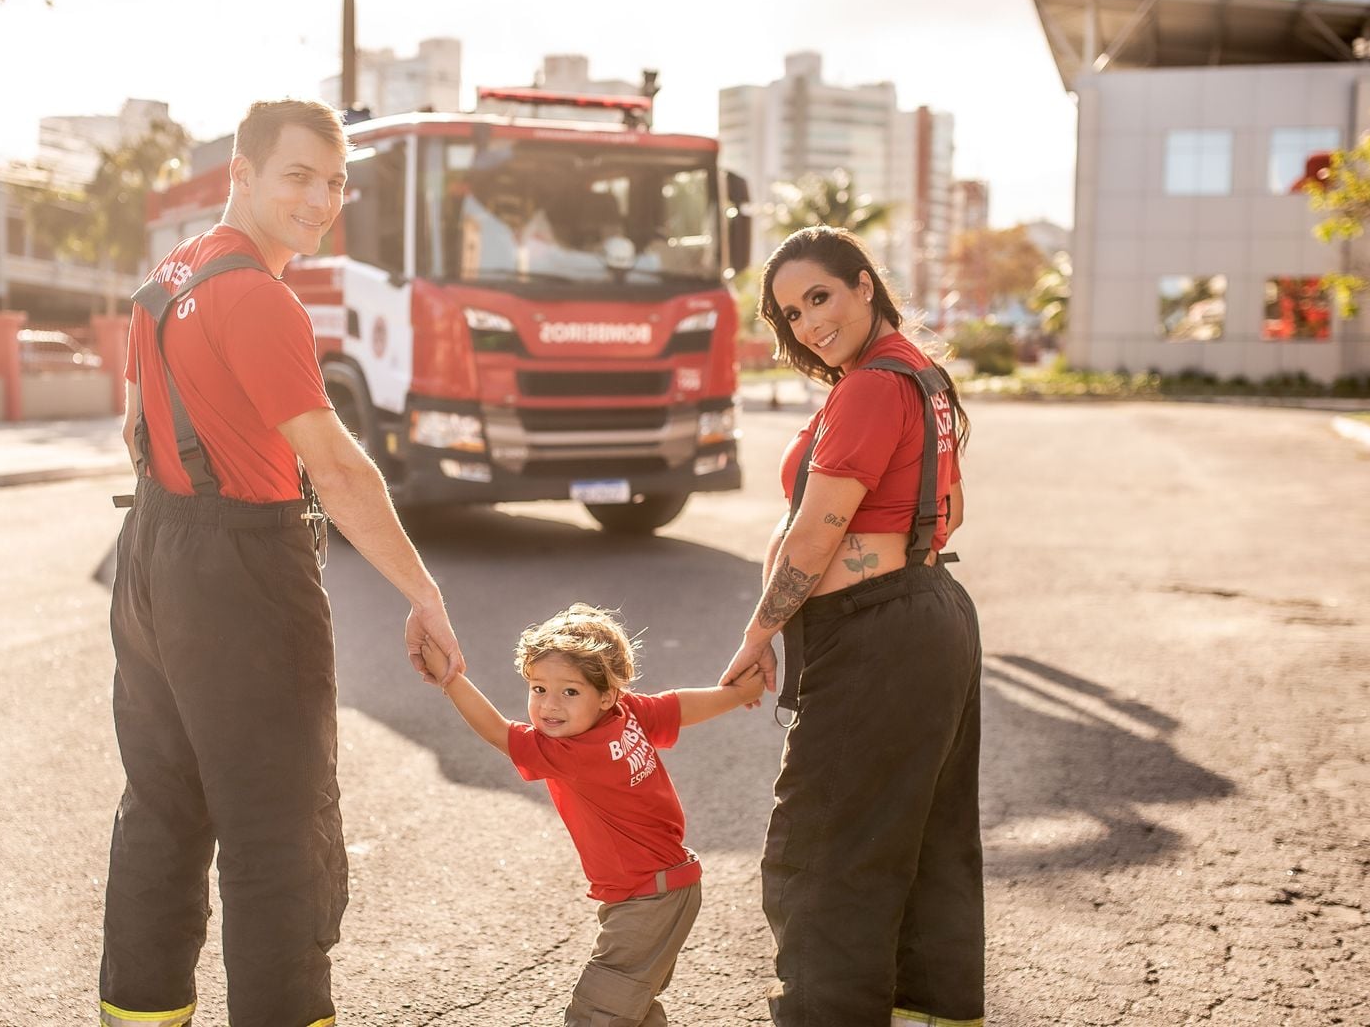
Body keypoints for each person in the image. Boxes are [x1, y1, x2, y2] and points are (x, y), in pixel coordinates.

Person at [102, 98, 467, 1027]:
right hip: (242, 571)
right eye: (298, 176)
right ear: (242, 173)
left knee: (162, 810)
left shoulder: (165, 280)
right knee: (278, 833)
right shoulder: (259, 298)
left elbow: (134, 428)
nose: (320, 200)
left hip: (152, 553)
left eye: (336, 182)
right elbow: (337, 469)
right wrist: (423, 593)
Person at [718, 226, 984, 1026]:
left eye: (819, 297)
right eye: (791, 314)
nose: (807, 324)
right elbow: (950, 509)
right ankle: (930, 1013)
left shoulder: (870, 387)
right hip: (930, 615)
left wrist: (757, 635)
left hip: (876, 633)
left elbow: (814, 535)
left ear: (864, 284)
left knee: (822, 853)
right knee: (924, 839)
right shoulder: (921, 375)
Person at [421, 604, 765, 1027]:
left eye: (570, 692)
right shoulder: (625, 714)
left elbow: (497, 731)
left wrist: (450, 678)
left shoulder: (570, 751)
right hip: (660, 890)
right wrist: (737, 695)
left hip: (647, 901)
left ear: (607, 695)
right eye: (538, 688)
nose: (549, 706)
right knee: (632, 1011)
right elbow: (676, 707)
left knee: (596, 1013)